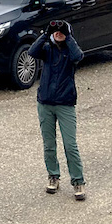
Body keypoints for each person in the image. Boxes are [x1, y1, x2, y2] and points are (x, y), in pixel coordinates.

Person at [29, 20, 86, 200]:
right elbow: (32, 52)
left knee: (70, 145)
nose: (58, 33)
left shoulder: (70, 51)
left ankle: (78, 181)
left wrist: (67, 36)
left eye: (61, 32)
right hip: (45, 102)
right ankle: (53, 176)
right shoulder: (47, 49)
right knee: (49, 144)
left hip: (65, 103)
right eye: (56, 32)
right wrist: (46, 34)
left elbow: (79, 56)